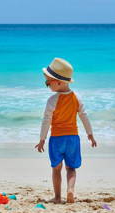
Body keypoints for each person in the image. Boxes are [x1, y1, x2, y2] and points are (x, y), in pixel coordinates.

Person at [35, 58, 97, 204]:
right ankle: (70, 190)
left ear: (58, 82)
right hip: (72, 139)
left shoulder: (52, 100)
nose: (47, 85)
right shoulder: (76, 97)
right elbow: (84, 116)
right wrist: (90, 134)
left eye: (47, 82)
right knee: (71, 168)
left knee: (56, 169)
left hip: (57, 139)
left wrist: (42, 139)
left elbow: (46, 121)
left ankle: (57, 197)